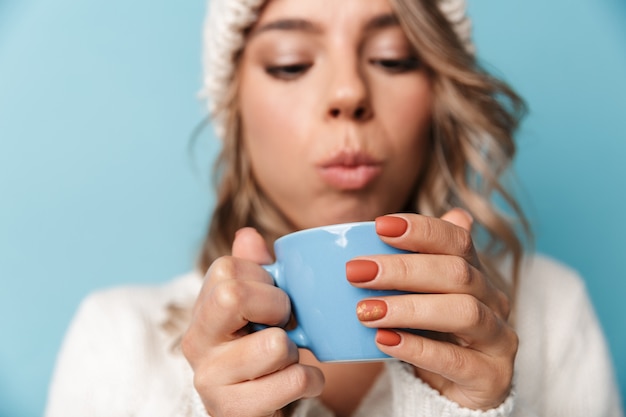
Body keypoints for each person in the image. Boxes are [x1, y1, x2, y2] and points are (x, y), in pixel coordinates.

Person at [45, 0, 624, 416]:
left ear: (439, 95)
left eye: (394, 58)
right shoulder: (116, 339)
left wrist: (467, 409)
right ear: (234, 110)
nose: (348, 94)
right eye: (291, 63)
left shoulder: (551, 308)